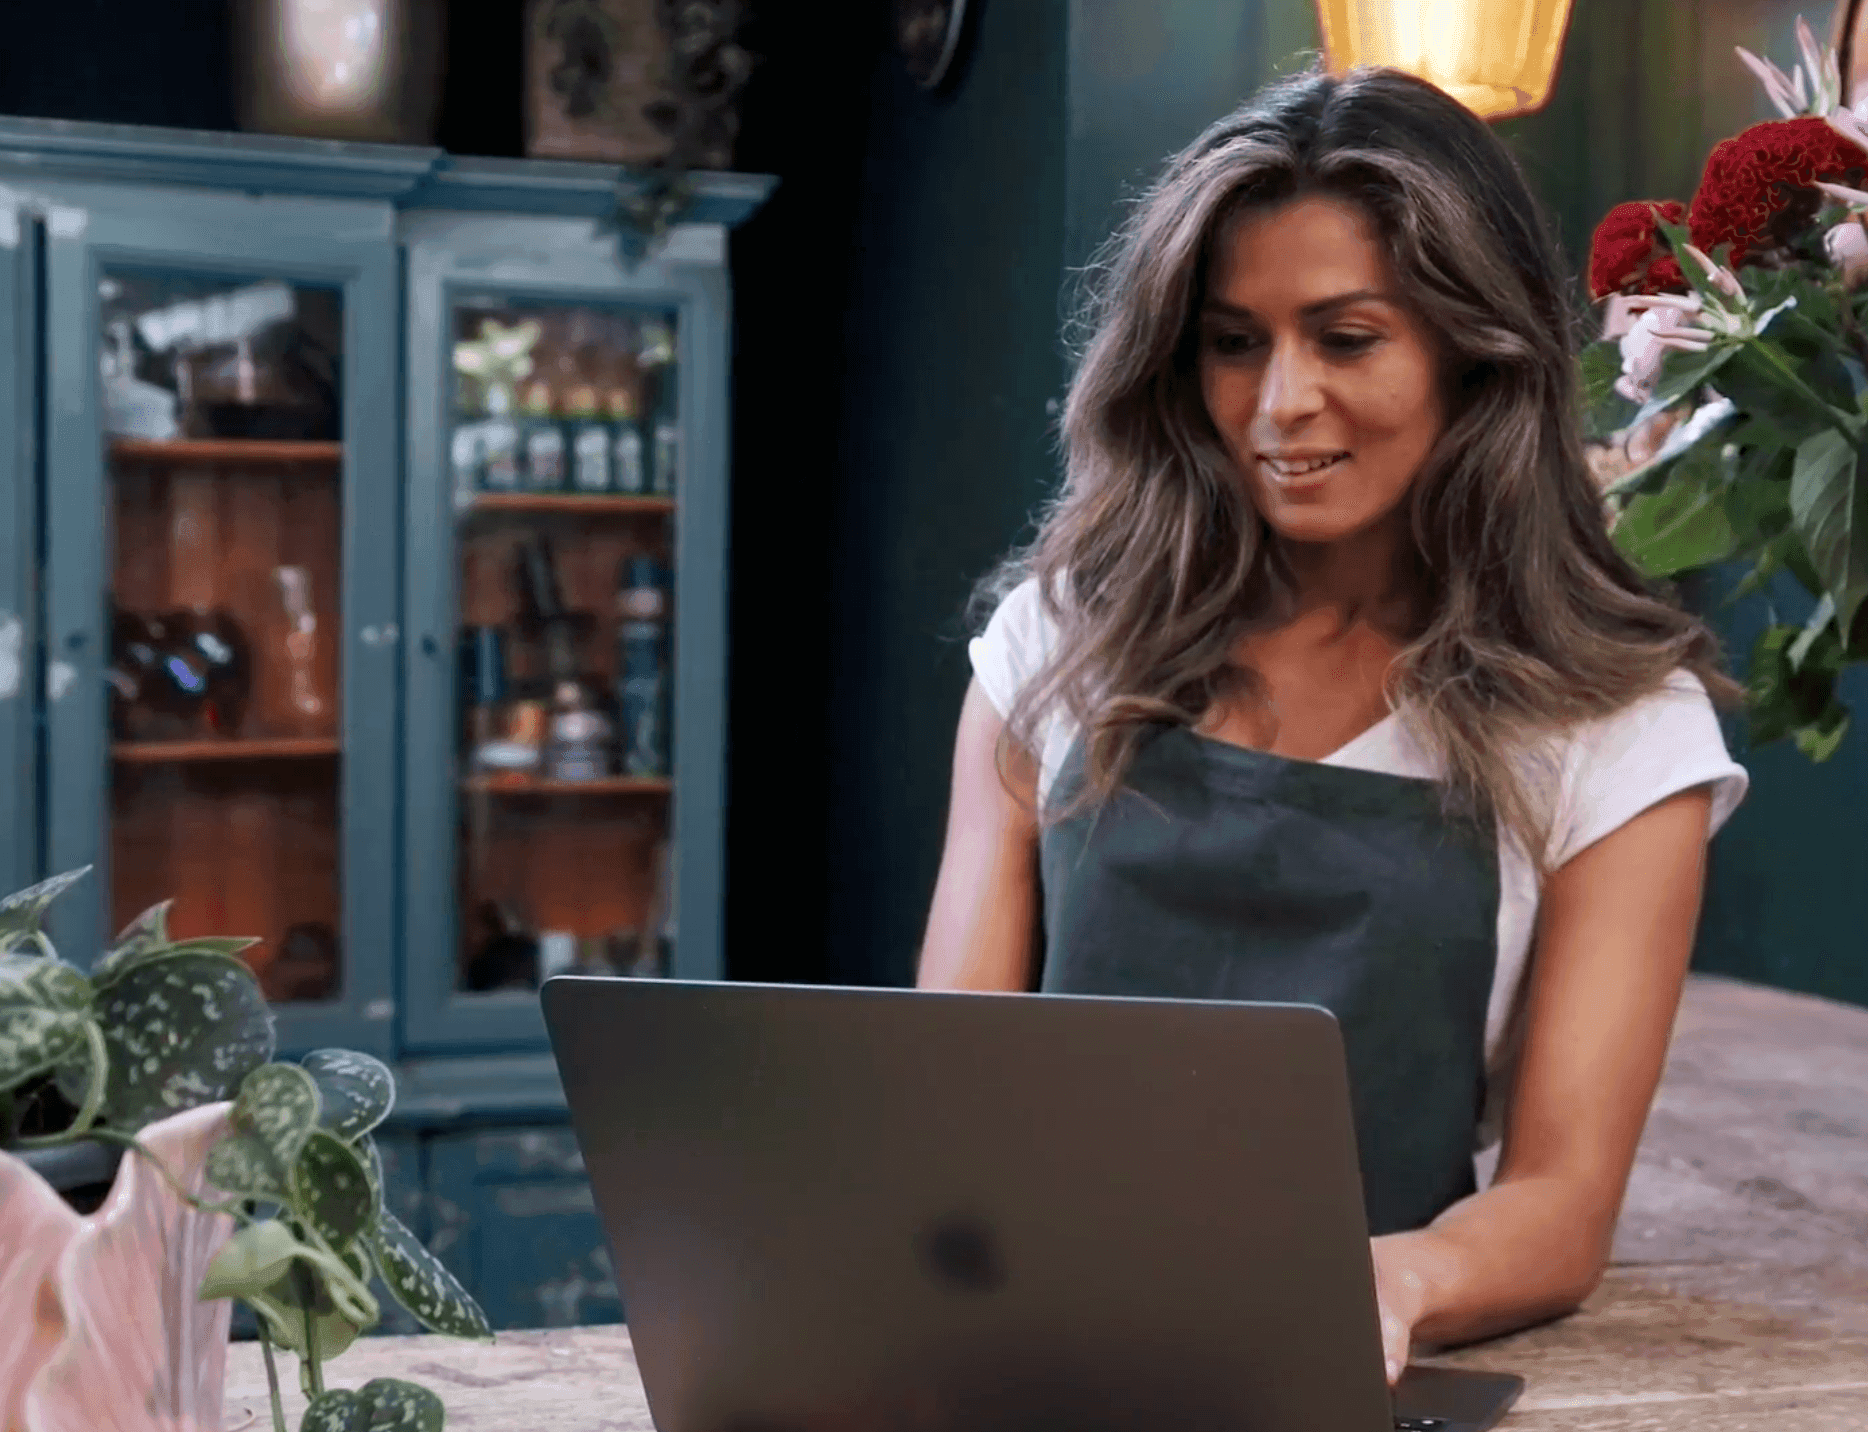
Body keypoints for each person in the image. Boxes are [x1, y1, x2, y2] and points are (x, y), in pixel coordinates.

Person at [915, 65, 1750, 1389]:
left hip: (1353, 1378)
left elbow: (1562, 1201)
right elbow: (941, 1095)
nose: (1278, 403)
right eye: (1233, 340)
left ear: (1475, 353)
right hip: (1032, 1356)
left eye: (1346, 337)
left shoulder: (1616, 726)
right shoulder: (1053, 641)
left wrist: (1385, 1284)